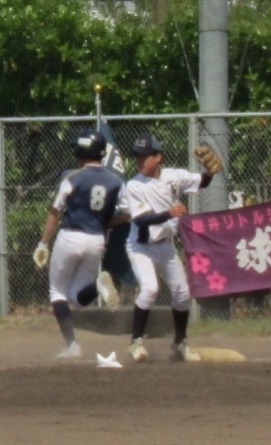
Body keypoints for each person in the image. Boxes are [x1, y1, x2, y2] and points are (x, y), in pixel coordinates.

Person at [125, 135, 222, 362]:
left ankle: (180, 341)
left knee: (182, 293)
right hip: (140, 247)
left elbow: (202, 182)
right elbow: (141, 220)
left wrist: (209, 172)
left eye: (145, 156)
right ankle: (136, 342)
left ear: (158, 157)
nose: (140, 160)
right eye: (138, 156)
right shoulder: (134, 185)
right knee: (150, 289)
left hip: (165, 246)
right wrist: (169, 213)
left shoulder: (173, 176)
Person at [33, 129, 129, 359]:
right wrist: (105, 222)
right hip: (96, 240)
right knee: (77, 297)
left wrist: (43, 243)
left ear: (82, 151)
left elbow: (55, 212)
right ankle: (97, 287)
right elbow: (127, 213)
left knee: (57, 291)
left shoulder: (72, 176)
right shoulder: (115, 180)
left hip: (70, 235)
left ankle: (72, 346)